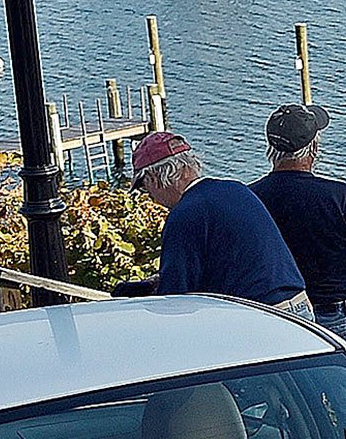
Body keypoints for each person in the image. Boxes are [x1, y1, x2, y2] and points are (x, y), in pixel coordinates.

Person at [249, 103, 346, 357]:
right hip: (335, 316)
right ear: (314, 147)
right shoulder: (339, 196)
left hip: (279, 316)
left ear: (271, 148)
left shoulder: (251, 197)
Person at [130, 131, 310, 316]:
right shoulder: (236, 189)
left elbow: (175, 297)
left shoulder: (184, 214)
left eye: (144, 187)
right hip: (299, 307)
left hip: (261, 316)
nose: (149, 197)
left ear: (154, 178)